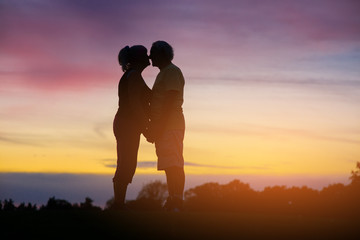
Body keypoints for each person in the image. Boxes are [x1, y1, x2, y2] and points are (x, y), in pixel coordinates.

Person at [146, 41, 186, 211]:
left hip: (170, 125)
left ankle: (176, 199)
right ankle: (173, 198)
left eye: (152, 53)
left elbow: (169, 102)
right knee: (169, 164)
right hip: (165, 125)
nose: (150, 57)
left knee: (174, 163)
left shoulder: (171, 72)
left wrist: (159, 126)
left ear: (161, 54)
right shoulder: (164, 73)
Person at [112, 45, 151, 209]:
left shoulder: (134, 76)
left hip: (127, 123)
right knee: (126, 164)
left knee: (127, 163)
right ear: (138, 60)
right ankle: (119, 205)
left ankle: (119, 204)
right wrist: (146, 127)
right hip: (128, 124)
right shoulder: (134, 76)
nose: (148, 59)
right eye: (144, 56)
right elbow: (136, 105)